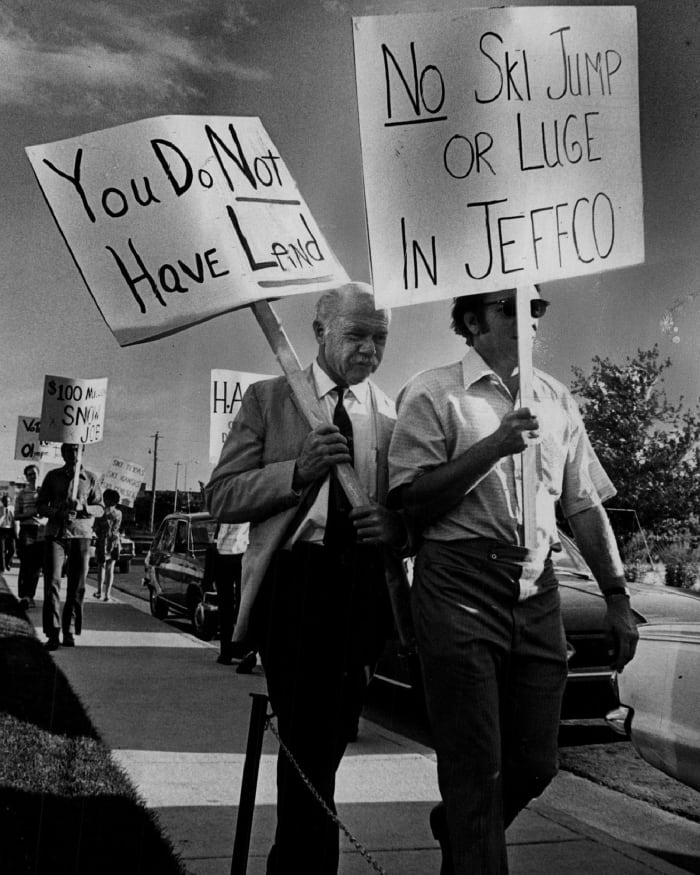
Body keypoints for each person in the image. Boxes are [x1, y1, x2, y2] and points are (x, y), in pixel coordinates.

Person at [388, 287, 639, 875]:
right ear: (472, 320)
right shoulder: (432, 391)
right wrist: (495, 446)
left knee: (535, 762)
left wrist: (617, 595)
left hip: (537, 584)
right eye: (510, 307)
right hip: (458, 581)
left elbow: (582, 504)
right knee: (476, 768)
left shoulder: (556, 398)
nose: (528, 318)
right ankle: (471, 833)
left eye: (536, 307)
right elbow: (409, 503)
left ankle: (459, 829)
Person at [205, 282, 408, 875]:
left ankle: (292, 860)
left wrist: (395, 527)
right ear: (319, 333)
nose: (370, 350)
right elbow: (221, 495)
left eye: (380, 338)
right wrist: (296, 471)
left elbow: (408, 516)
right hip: (297, 586)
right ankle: (305, 865)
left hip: (362, 592)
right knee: (305, 741)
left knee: (328, 742)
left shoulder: (393, 414)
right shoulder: (269, 400)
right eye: (356, 335)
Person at [38, 443, 103, 650]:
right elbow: (40, 505)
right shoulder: (52, 476)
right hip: (56, 533)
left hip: (80, 534)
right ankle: (53, 632)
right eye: (69, 450)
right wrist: (58, 513)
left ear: (82, 452)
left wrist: (83, 506)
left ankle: (69, 630)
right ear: (63, 453)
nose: (73, 454)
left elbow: (100, 508)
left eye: (77, 450)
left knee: (77, 585)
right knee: (52, 583)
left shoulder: (91, 478)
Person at [207, 521, 250, 666]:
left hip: (223, 553)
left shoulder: (226, 501)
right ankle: (242, 648)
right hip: (244, 551)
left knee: (225, 606)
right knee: (243, 603)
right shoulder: (250, 500)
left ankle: (226, 652)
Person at [15, 464, 46, 610]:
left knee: (36, 567)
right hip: (27, 530)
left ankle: (30, 596)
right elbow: (16, 515)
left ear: (39, 474)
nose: (32, 476)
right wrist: (32, 513)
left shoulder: (45, 493)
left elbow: (50, 511)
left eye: (34, 473)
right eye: (29, 474)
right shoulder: (22, 494)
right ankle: (24, 595)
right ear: (26, 477)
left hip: (41, 530)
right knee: (26, 564)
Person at [93, 488, 122, 602]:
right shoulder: (119, 513)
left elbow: (96, 528)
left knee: (101, 567)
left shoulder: (101, 513)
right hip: (114, 541)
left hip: (102, 541)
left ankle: (100, 591)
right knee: (111, 568)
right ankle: (107, 594)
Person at [0, 494, 16, 572]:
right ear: (2, 502)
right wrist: (2, 515)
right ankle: (2, 567)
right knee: (2, 550)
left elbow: (15, 521)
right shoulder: (0, 509)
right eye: (5, 501)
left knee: (12, 549)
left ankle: (7, 562)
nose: (7, 503)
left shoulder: (12, 509)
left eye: (9, 501)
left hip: (10, 530)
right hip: (2, 530)